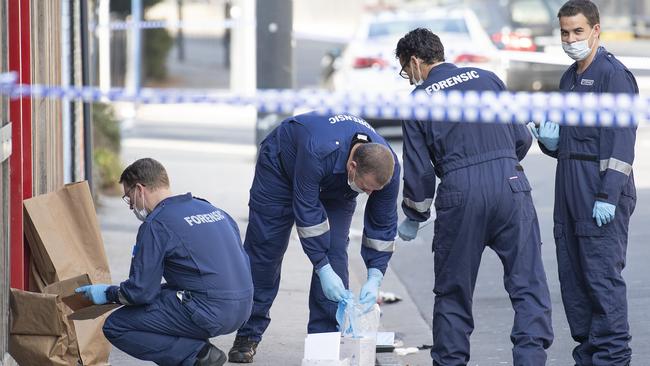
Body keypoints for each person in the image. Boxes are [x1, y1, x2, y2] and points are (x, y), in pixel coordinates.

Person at [395, 28, 553, 365]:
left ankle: (451, 361)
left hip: (461, 191)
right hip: (511, 184)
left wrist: (416, 214)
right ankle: (531, 358)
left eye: (406, 72)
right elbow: (522, 139)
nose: (409, 79)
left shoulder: (420, 99)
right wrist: (501, 162)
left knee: (454, 291)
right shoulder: (487, 78)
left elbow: (419, 171)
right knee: (528, 284)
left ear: (415, 61)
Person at [227, 111, 400, 363]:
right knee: (266, 251)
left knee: (335, 252)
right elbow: (307, 213)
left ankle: (325, 344)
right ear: (353, 166)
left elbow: (383, 224)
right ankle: (248, 333)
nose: (368, 193)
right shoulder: (318, 149)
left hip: (336, 184)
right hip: (280, 169)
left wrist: (375, 274)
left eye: (374, 190)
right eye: (365, 188)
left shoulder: (387, 168)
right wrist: (321, 266)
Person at [528, 1, 638, 364]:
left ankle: (611, 359)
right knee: (575, 286)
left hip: (600, 193)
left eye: (578, 31)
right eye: (565, 32)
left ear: (595, 30)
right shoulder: (569, 78)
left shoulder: (614, 76)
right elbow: (570, 144)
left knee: (601, 284)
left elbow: (621, 143)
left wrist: (608, 194)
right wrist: (549, 142)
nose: (571, 39)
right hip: (570, 191)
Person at [75, 158, 254, 366]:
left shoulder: (157, 224)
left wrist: (106, 293)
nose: (131, 205)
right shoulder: (211, 209)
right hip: (244, 309)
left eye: (129, 197)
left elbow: (140, 292)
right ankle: (194, 350)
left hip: (210, 312)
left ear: (140, 189)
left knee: (117, 325)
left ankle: (198, 356)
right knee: (166, 296)